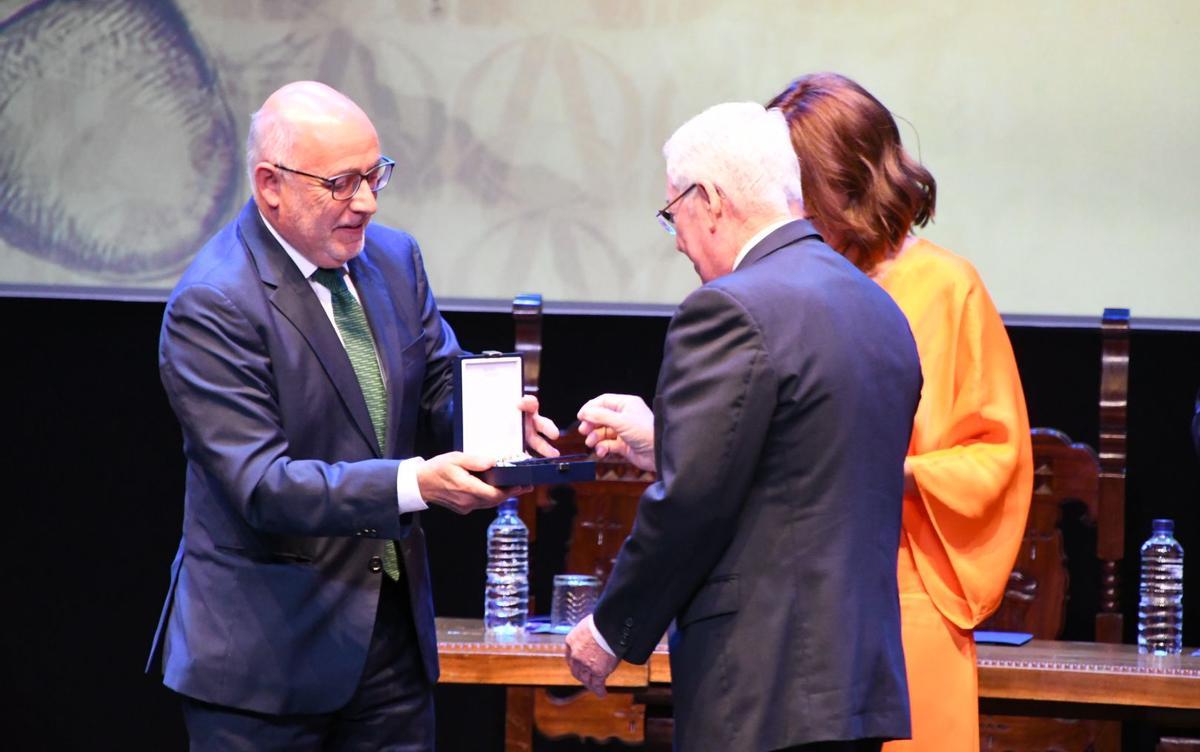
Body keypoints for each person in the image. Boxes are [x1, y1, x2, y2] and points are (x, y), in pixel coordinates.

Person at [146, 81, 557, 750]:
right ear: (270, 184)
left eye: (375, 175)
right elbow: (263, 485)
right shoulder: (215, 302)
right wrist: (414, 484)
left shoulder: (393, 260)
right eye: (340, 183)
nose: (364, 202)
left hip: (390, 641)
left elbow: (438, 385)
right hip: (266, 663)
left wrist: (503, 432)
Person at [564, 102, 924, 752]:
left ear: (711, 200)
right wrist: (664, 444)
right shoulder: (878, 308)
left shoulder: (729, 309)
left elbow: (694, 502)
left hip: (761, 687)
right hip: (856, 686)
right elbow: (800, 467)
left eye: (673, 212)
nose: (676, 238)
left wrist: (611, 628)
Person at [767, 72, 1034, 752]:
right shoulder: (782, 287)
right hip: (791, 600)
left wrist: (895, 470)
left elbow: (994, 457)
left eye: (798, 182)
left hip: (904, 588)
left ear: (849, 178)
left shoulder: (945, 287)